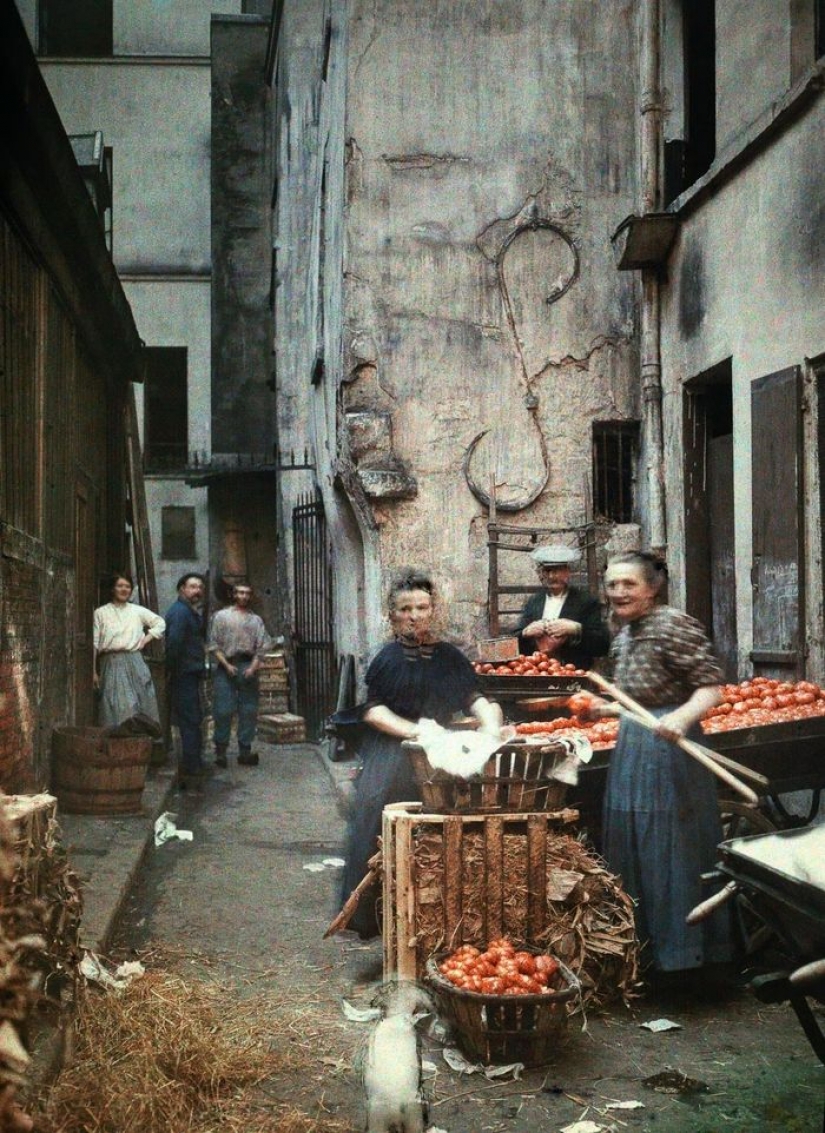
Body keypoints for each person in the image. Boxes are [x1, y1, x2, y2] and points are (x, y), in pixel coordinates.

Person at [584, 551, 731, 978]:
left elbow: (711, 688)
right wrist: (604, 709)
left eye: (628, 584)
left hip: (671, 751)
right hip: (635, 744)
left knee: (670, 847)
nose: (618, 593)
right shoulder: (623, 631)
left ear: (652, 587)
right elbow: (634, 703)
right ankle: (644, 958)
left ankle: (686, 959)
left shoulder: (673, 624)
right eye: (612, 585)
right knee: (632, 844)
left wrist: (682, 718)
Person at [338, 569, 505, 938]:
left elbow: (474, 697)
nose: (414, 615)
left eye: (422, 607)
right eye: (405, 608)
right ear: (393, 615)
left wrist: (490, 725)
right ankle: (377, 918)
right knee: (379, 823)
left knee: (436, 833)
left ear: (434, 610)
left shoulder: (450, 658)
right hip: (392, 756)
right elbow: (373, 711)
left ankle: (431, 916)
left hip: (438, 756)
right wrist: (417, 731)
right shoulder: (386, 658)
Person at [208, 582, 271, 768]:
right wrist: (226, 665)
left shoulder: (256, 620)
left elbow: (262, 647)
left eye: (247, 593)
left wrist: (252, 668)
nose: (243, 596)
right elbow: (213, 645)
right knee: (223, 710)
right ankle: (220, 752)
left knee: (248, 711)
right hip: (225, 666)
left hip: (247, 666)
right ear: (233, 594)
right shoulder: (220, 617)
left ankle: (245, 751)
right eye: (240, 593)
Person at [93, 573, 165, 733]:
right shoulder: (101, 613)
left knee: (141, 703)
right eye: (120, 586)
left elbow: (160, 623)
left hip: (135, 661)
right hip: (111, 662)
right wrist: (93, 671)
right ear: (113, 589)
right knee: (117, 707)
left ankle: (141, 747)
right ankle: (118, 749)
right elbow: (95, 644)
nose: (124, 589)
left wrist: (145, 640)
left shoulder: (137, 611)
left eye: (127, 586)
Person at [516, 545, 609, 668]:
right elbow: (516, 642)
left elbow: (602, 646)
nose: (551, 576)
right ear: (542, 574)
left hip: (572, 672)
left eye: (557, 570)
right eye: (547, 571)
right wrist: (525, 632)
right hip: (538, 671)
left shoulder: (586, 602)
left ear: (567, 572)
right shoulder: (534, 602)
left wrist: (576, 629)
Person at [164, 572, 207, 786]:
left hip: (190, 672)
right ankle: (192, 764)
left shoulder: (188, 611)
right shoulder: (180, 612)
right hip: (184, 673)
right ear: (182, 589)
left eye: (199, 587)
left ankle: (194, 760)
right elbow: (174, 643)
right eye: (192, 587)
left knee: (193, 718)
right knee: (190, 719)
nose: (197, 591)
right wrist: (172, 669)